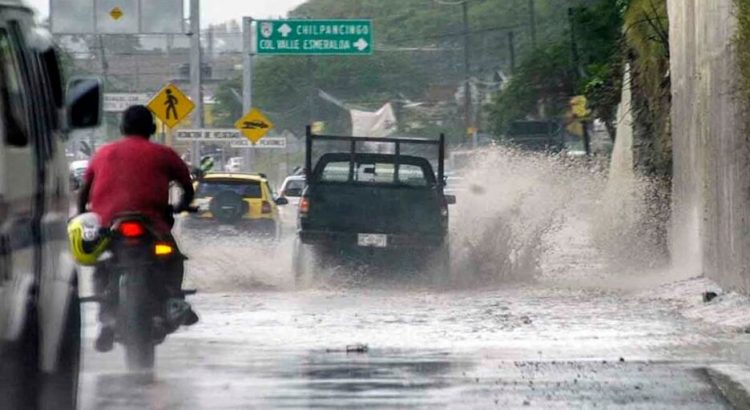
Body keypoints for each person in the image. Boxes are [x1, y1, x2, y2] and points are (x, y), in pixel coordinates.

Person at [77, 105, 198, 352]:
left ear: (122, 128)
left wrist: (83, 214)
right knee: (173, 258)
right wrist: (182, 205)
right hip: (152, 224)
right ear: (152, 129)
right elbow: (187, 187)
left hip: (110, 226)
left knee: (101, 263)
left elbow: (84, 192)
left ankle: (105, 318)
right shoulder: (164, 154)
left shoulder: (103, 153)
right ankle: (174, 301)